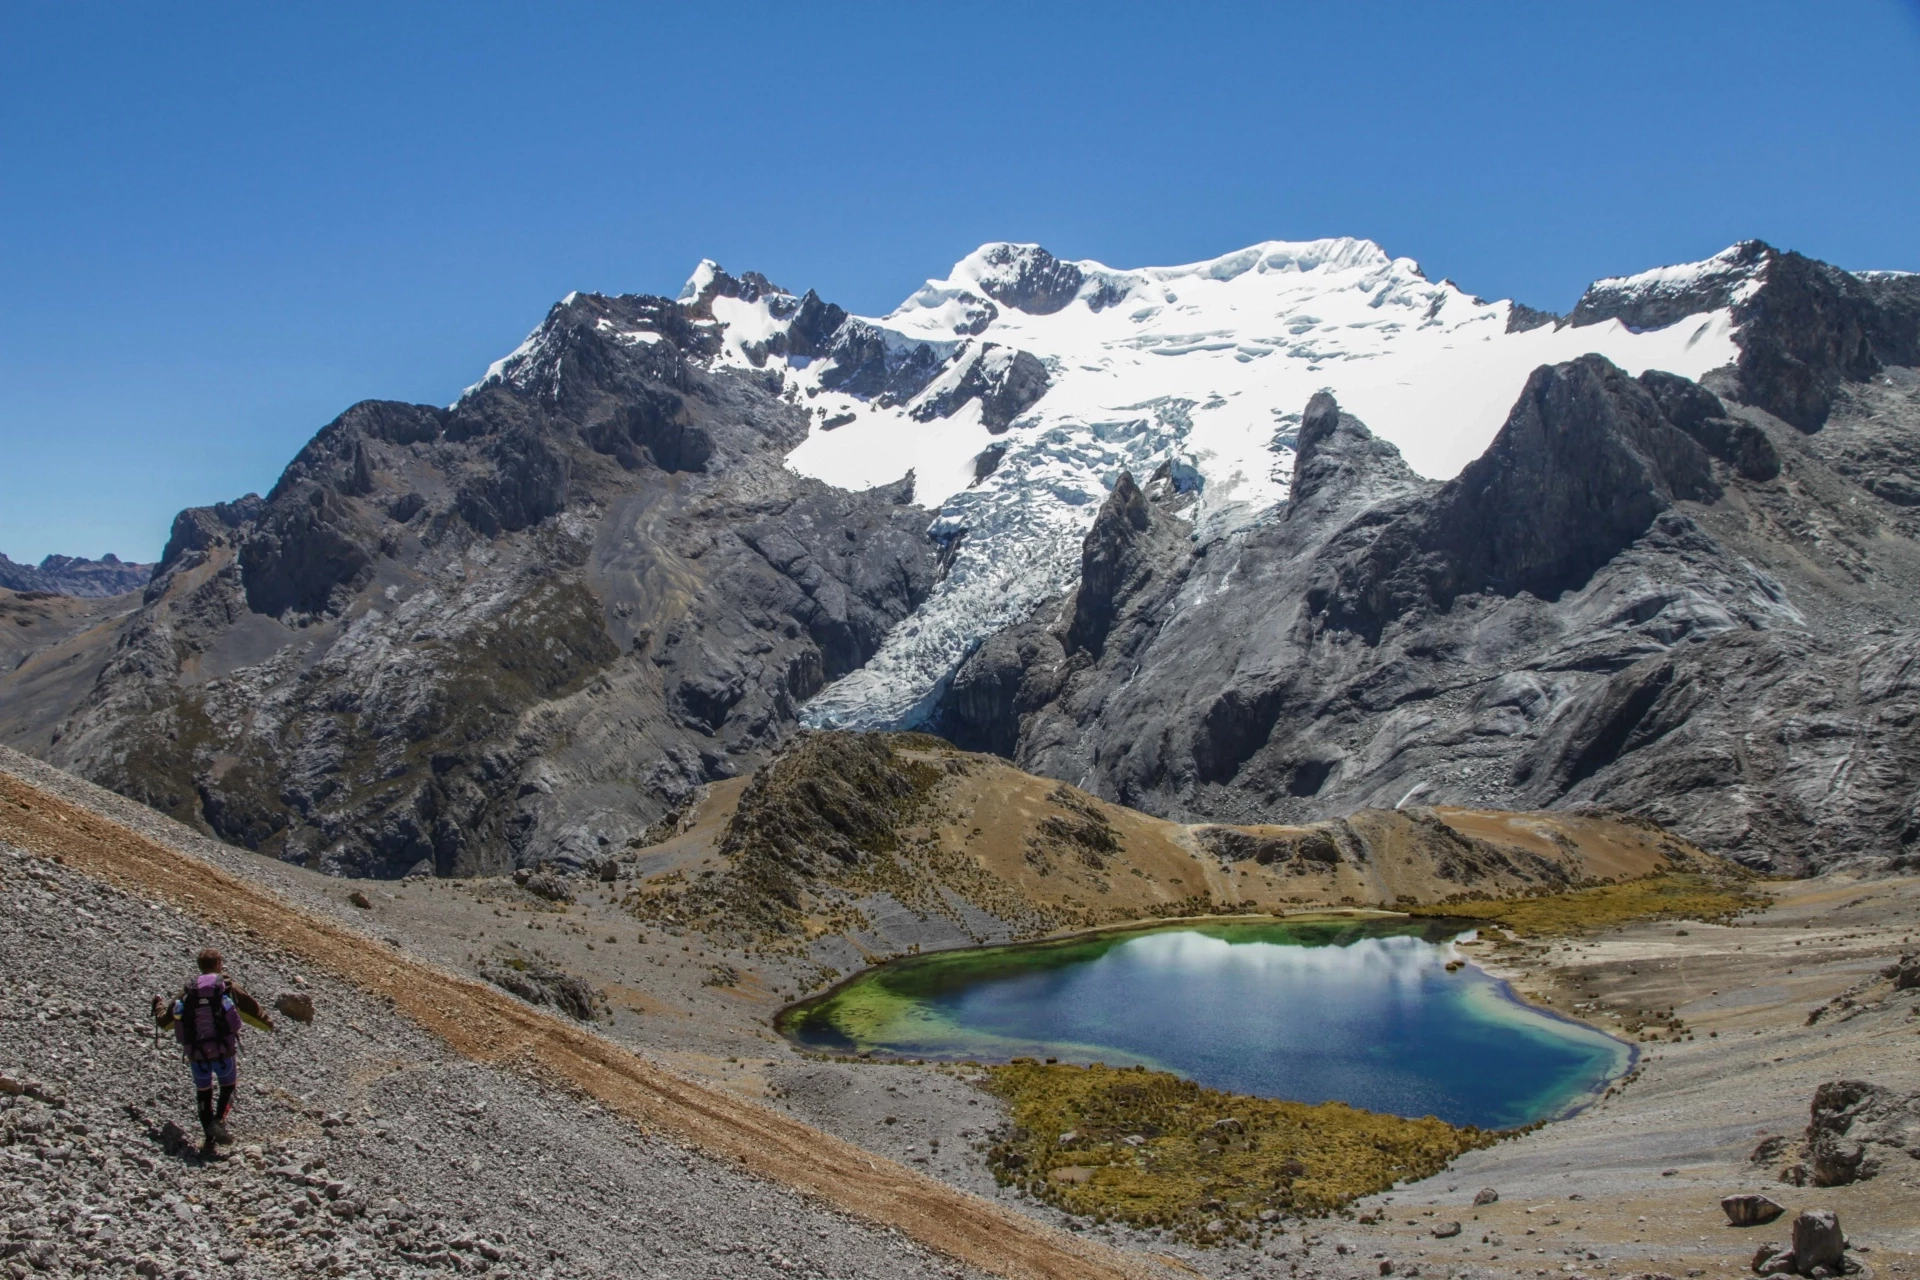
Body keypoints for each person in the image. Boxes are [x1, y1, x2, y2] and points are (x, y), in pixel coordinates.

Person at [152, 948, 245, 1158]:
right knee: (228, 1087)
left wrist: (157, 1005)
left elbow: (170, 1017)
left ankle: (208, 1138)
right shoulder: (223, 991)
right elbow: (235, 1023)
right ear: (219, 963)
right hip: (223, 1052)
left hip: (196, 1053)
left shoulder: (188, 994)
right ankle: (219, 1121)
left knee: (204, 1092)